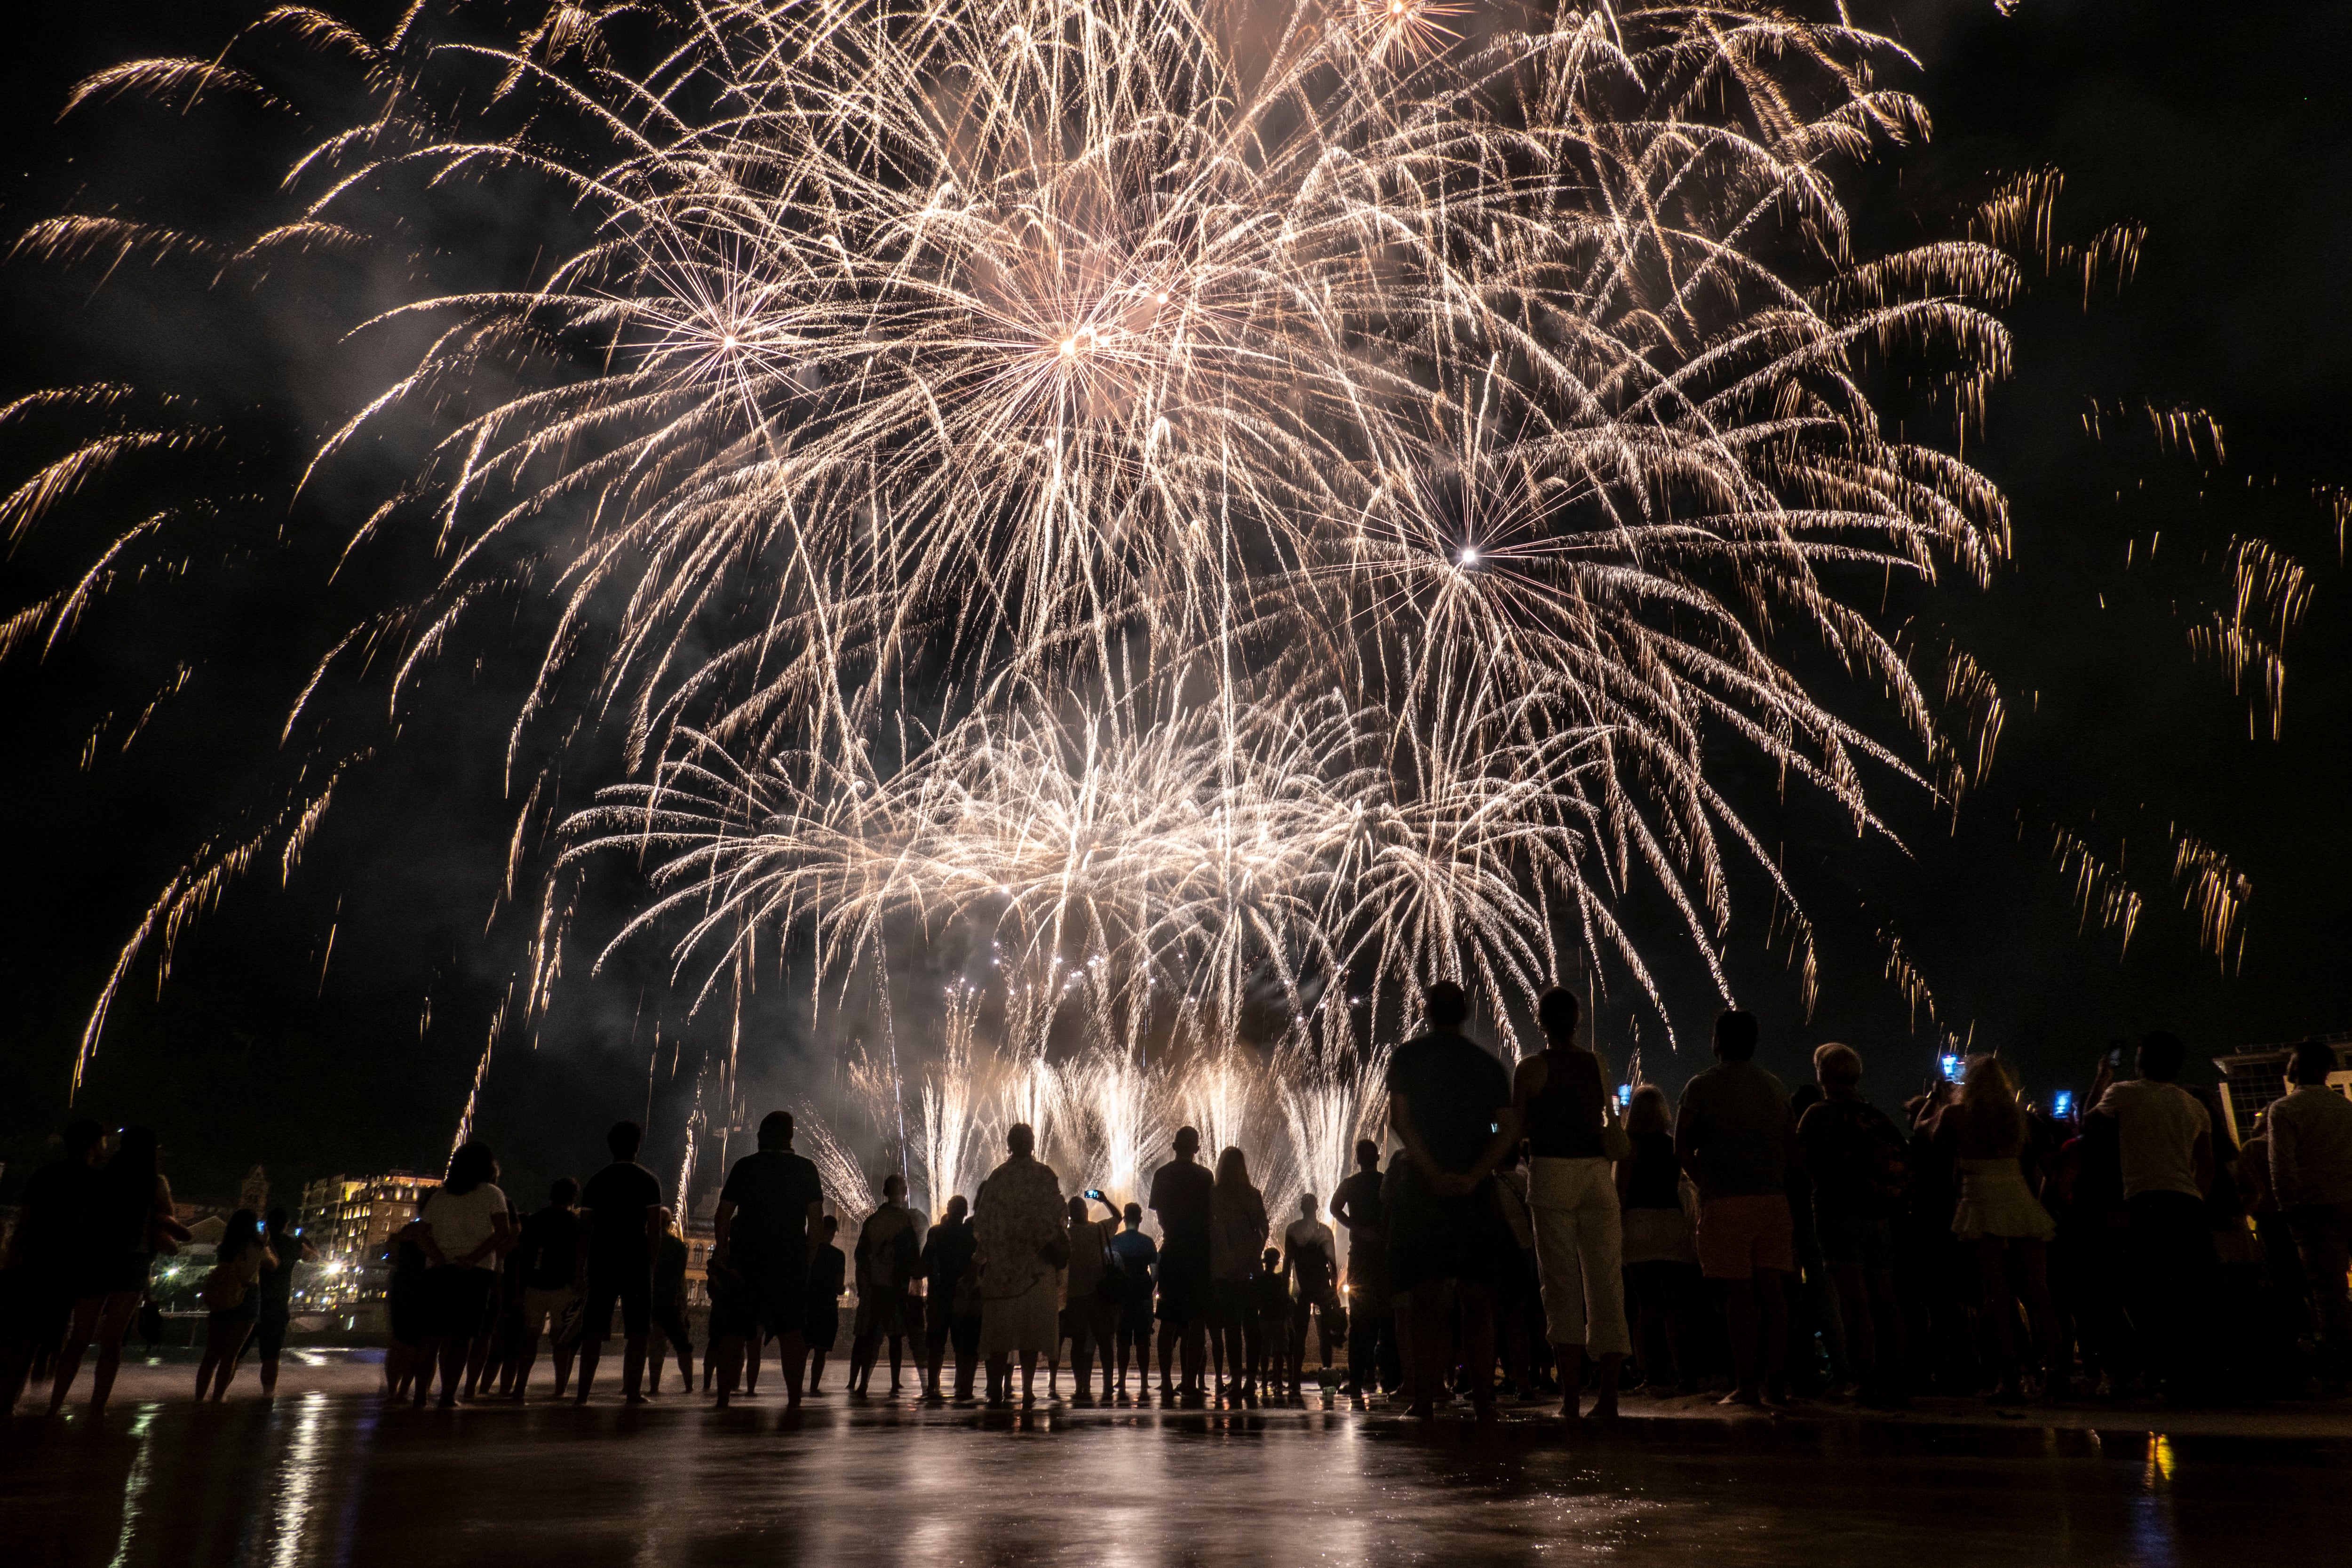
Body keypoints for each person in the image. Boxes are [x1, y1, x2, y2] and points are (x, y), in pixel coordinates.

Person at [1387, 979, 1521, 1422]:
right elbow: (1506, 1127)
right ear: (1465, 1013)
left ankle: (1425, 1399)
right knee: (1478, 1301)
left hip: (1424, 1192)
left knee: (1427, 1300)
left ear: (1427, 1012)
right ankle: (1483, 1401)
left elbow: (1401, 1122)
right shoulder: (1486, 1065)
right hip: (1475, 1193)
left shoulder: (1407, 1057)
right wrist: (1474, 1174)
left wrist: (1432, 1172)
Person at [1514, 987, 1630, 1424]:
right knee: (1606, 1283)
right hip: (1597, 1174)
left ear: (1541, 1021)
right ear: (1577, 1020)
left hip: (1551, 1173)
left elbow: (1518, 1124)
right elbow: (1605, 1115)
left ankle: (1569, 1402)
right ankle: (1610, 1399)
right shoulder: (1595, 1063)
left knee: (1561, 1285)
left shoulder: (1530, 1069)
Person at [1674, 1010, 1794, 1408]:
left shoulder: (1700, 1086)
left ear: (1718, 1041)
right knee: (1773, 1293)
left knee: (1738, 1296)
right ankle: (1776, 1385)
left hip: (1725, 1198)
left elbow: (1681, 1145)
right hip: (1773, 1198)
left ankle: (1746, 1386)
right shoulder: (1775, 1086)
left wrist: (1705, 1181)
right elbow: (1789, 1140)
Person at [2088, 1031, 2214, 1399]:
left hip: (2147, 1201)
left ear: (2141, 1060)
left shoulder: (2124, 1091)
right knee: (2188, 1294)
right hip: (2188, 1203)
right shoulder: (2194, 1105)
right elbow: (2206, 1164)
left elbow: (2090, 1124)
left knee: (2149, 1293)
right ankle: (2191, 1374)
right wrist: (2197, 1198)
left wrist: (2102, 1077)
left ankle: (2158, 1372)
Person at [1935, 1056, 2062, 1401]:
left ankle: (2010, 1379)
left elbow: (1928, 1138)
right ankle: (2055, 1375)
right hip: (2018, 1195)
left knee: (1997, 1294)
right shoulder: (2021, 1117)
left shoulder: (1957, 1115)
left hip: (1979, 1197)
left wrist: (1942, 1096)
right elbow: (2052, 1166)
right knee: (2039, 1292)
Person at [1794, 1043, 1911, 1407]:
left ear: (1823, 1075)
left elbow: (1798, 1162)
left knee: (1853, 1299)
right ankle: (1897, 1374)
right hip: (1877, 1212)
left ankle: (1863, 1378)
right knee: (1884, 1295)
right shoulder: (1873, 1115)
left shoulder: (1817, 1114)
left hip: (1837, 1211)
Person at [52, 1127, 190, 1415]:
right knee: (112, 1341)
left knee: (80, 1336)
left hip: (95, 1260)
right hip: (133, 1264)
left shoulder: (101, 1177)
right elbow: (167, 1219)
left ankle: (55, 1405)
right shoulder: (155, 1182)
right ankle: (97, 1406)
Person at [711, 1110, 826, 1408]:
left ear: (761, 1137)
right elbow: (816, 1222)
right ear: (790, 1138)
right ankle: (794, 1399)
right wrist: (809, 1258)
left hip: (746, 1259)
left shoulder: (745, 1166)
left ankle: (723, 1398)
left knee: (734, 1331)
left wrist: (722, 1251)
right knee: (791, 1331)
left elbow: (723, 1214)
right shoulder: (806, 1169)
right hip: (789, 1260)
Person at [1, 1118, 104, 1415]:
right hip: (70, 1268)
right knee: (53, 1333)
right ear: (93, 1144)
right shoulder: (96, 1182)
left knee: (22, 1339)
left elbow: (25, 1222)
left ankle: (7, 1403)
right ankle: (42, 1387)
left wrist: (12, 1261)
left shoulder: (44, 1175)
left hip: (36, 1263)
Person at [2265, 1039, 2352, 1387]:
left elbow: (2282, 1165)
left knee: (2329, 1294)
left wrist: (2289, 1207)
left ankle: (2343, 1367)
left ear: (2300, 1066)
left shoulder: (2284, 1109)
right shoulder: (2345, 1108)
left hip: (2315, 1208)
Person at [973, 1122, 1068, 1406]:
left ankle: (998, 1388)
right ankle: (1027, 1389)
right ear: (1033, 1143)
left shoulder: (998, 1177)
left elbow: (982, 1224)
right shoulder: (1044, 1176)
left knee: (1000, 1333)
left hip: (1002, 1272)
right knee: (1030, 1334)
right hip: (1035, 1272)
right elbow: (1058, 1217)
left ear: (1009, 1144)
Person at [414, 1140, 513, 1409]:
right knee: (461, 1338)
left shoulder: (441, 1195)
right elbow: (502, 1233)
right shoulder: (492, 1193)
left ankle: (420, 1395)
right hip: (475, 1274)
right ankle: (447, 1396)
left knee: (432, 1338)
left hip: (438, 1273)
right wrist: (472, 1257)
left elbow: (420, 1233)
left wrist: (436, 1256)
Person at [1618, 1084, 1703, 1395]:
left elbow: (1621, 1193)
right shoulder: (1673, 1145)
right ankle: (1686, 1374)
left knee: (1648, 1305)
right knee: (1678, 1305)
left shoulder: (1629, 1147)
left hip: (1638, 1224)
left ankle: (1653, 1374)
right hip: (1671, 1222)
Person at [576, 1121, 666, 1405]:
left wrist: (582, 1267)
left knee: (592, 1330)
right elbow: (654, 1229)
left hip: (602, 1260)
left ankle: (582, 1394)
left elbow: (585, 1230)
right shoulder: (648, 1181)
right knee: (638, 1331)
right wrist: (650, 1263)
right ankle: (633, 1392)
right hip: (636, 1261)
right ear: (637, 1147)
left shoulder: (596, 1181)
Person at [1148, 1126, 1215, 1400]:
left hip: (1173, 1250)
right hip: (1199, 1253)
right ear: (1197, 1149)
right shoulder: (1205, 1176)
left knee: (1169, 1320)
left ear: (1175, 1147)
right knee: (1197, 1320)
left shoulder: (1162, 1175)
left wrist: (1173, 1233)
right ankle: (1189, 1381)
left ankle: (1165, 1381)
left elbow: (1161, 1216)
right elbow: (1211, 1216)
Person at [509, 1177, 583, 1400]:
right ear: (572, 1198)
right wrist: (579, 1281)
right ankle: (560, 1388)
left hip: (534, 1283)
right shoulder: (575, 1223)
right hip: (563, 1287)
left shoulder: (536, 1219)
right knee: (561, 1340)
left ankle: (520, 1386)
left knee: (530, 1337)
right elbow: (579, 1256)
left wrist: (519, 1287)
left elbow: (522, 1254)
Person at [1208, 1146, 1270, 1403]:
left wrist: (1228, 1262)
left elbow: (1213, 1232)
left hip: (1225, 1271)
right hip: (1249, 1270)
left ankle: (1235, 1378)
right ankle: (1251, 1379)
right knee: (1251, 1326)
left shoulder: (1214, 1195)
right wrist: (1252, 1258)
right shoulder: (1252, 1194)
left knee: (1232, 1326)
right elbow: (1263, 1230)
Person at [194, 1209, 276, 1401]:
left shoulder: (226, 1247)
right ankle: (218, 1397)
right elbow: (273, 1265)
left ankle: (198, 1398)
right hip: (247, 1298)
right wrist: (266, 1241)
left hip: (222, 1296)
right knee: (230, 1355)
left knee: (211, 1354)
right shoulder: (257, 1246)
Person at [850, 1174, 920, 1397]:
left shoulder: (872, 1221)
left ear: (885, 1192)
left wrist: (868, 1277)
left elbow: (860, 1254)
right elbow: (913, 1257)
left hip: (874, 1287)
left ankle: (862, 1383)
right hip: (896, 1288)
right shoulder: (907, 1222)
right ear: (904, 1193)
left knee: (869, 1337)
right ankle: (895, 1382)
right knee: (896, 1338)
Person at [1329, 1139, 1388, 1397]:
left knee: (1360, 1318)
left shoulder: (1351, 1184)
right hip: (1384, 1255)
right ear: (1377, 1156)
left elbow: (1334, 1208)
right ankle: (1384, 1374)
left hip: (1361, 1256)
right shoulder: (1385, 1182)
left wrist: (1357, 1228)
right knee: (1386, 1315)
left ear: (1357, 1160)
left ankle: (1357, 1380)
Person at [243, 1207, 316, 1398]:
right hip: (277, 1307)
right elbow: (314, 1256)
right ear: (286, 1225)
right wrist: (305, 1240)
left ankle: (220, 1393)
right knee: (271, 1357)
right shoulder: (292, 1245)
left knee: (235, 1354)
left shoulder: (257, 1242)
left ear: (266, 1223)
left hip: (251, 1302)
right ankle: (268, 1394)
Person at [1060, 1192, 1122, 1403]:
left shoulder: (1065, 1235)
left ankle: (1081, 1386)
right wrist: (1104, 1199)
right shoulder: (1098, 1230)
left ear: (1069, 1215)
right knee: (1105, 1342)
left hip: (1074, 1297)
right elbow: (1118, 1216)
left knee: (1078, 1343)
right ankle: (1107, 1385)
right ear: (1086, 1212)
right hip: (1098, 1295)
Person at [919, 1196, 979, 1399]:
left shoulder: (936, 1233)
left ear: (948, 1209)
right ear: (966, 1212)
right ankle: (965, 1385)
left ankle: (933, 1385)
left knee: (936, 1342)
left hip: (939, 1294)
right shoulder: (972, 1236)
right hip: (963, 1296)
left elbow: (926, 1262)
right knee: (964, 1344)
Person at [1283, 1194, 1340, 1397]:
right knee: (1324, 1334)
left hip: (1304, 1288)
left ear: (1302, 1208)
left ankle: (1296, 1381)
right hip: (1322, 1287)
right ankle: (1327, 1378)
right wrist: (1334, 1292)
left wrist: (1285, 1291)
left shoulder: (1294, 1230)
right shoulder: (1324, 1231)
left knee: (1300, 1335)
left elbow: (1288, 1262)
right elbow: (1333, 1265)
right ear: (1317, 1207)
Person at [1107, 1202, 1158, 1399]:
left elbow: (1111, 1266)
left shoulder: (1116, 1241)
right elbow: (1155, 1271)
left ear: (1125, 1219)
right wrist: (1149, 1289)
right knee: (1143, 1340)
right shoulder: (1148, 1242)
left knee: (1123, 1340)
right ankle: (1144, 1380)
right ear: (1141, 1219)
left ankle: (1121, 1378)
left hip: (1123, 1296)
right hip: (1142, 1296)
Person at [647, 1214, 695, 1395]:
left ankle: (653, 1387)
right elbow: (680, 1280)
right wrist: (683, 1305)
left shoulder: (645, 1243)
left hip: (650, 1301)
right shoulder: (678, 1246)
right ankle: (689, 1386)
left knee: (655, 1347)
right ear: (669, 1224)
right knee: (683, 1346)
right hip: (671, 1303)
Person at [805, 1216, 847, 1392]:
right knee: (820, 1352)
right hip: (827, 1306)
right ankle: (814, 1387)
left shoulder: (807, 1251)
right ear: (831, 1232)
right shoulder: (838, 1256)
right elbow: (839, 1287)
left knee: (803, 1349)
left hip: (807, 1305)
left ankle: (796, 1385)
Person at [1255, 1246, 1294, 1397]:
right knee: (1279, 1352)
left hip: (1264, 1318)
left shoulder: (1261, 1280)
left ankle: (1265, 1380)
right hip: (1278, 1319)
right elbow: (1285, 1299)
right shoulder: (1279, 1280)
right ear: (1277, 1262)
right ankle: (1278, 1381)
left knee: (1264, 1351)